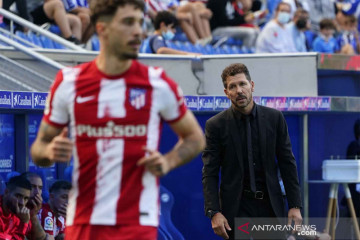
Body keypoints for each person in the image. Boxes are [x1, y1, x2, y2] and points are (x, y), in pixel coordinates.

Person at [30, 1, 205, 240]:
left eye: (140, 22)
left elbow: (195, 138)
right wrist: (50, 151)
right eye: (128, 22)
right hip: (85, 221)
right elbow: (38, 150)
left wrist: (168, 161)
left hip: (137, 222)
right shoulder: (69, 82)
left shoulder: (159, 83)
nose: (139, 31)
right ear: (102, 28)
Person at [202, 63, 302, 239]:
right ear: (226, 92)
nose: (239, 90)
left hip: (269, 205)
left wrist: (295, 205)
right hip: (236, 207)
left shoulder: (274, 118)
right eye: (232, 86)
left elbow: (287, 163)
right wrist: (214, 211)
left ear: (252, 85)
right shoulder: (216, 125)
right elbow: (210, 171)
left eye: (242, 84)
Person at [20, 172, 50, 240]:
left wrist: (33, 216)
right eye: (32, 187)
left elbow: (42, 238)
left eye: (40, 188)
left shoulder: (41, 209)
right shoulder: (12, 208)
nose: (37, 192)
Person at [0, 176, 32, 240]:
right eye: (18, 196)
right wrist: (23, 223)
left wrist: (33, 215)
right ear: (6, 192)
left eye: (25, 198)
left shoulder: (20, 215)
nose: (22, 203)